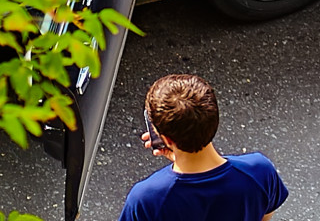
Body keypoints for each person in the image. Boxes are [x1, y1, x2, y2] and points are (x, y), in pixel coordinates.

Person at [123, 73, 288, 221]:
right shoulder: (259, 171)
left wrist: (180, 158)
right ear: (214, 120)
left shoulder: (146, 199)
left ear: (166, 139)